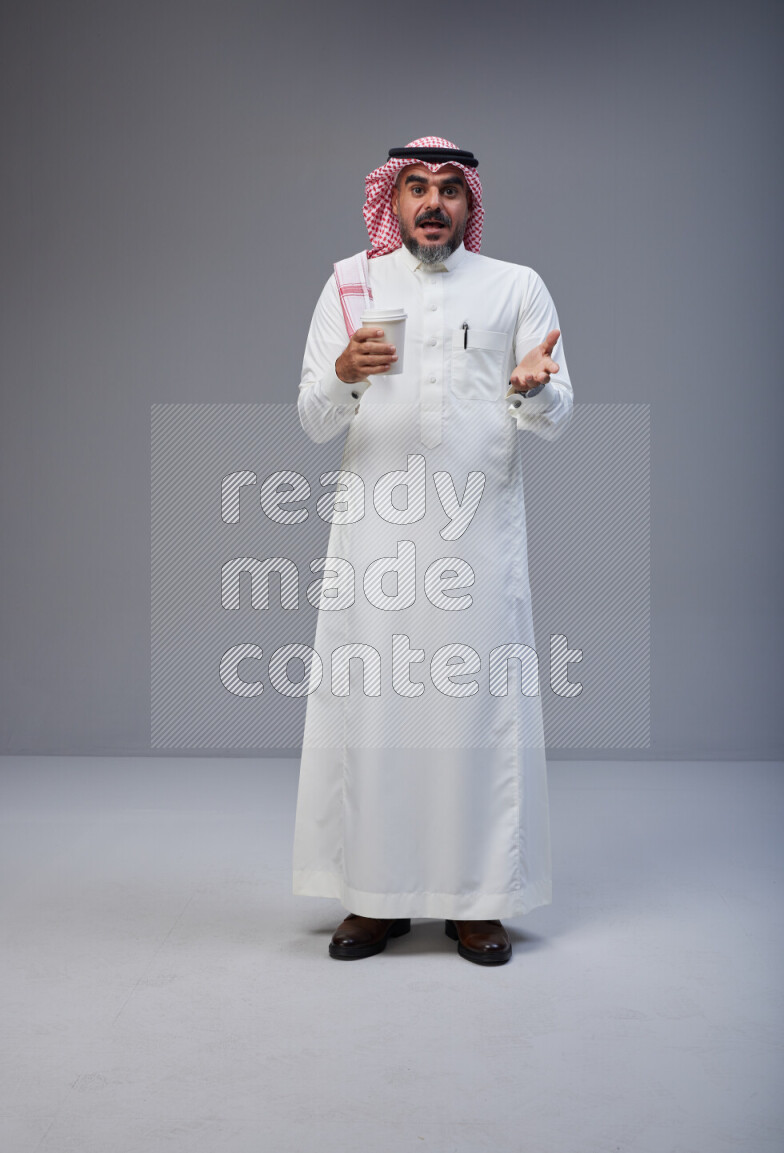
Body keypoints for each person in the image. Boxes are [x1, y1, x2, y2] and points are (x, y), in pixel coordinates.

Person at [292, 136, 573, 965]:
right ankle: (374, 901)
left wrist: (536, 388)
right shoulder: (351, 283)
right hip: (375, 542)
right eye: (415, 187)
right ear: (394, 197)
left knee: (476, 718)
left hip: (479, 542)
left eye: (449, 189)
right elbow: (312, 417)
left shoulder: (515, 287)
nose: (432, 203)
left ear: (468, 202)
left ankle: (478, 902)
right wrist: (345, 368)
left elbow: (559, 416)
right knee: (374, 716)